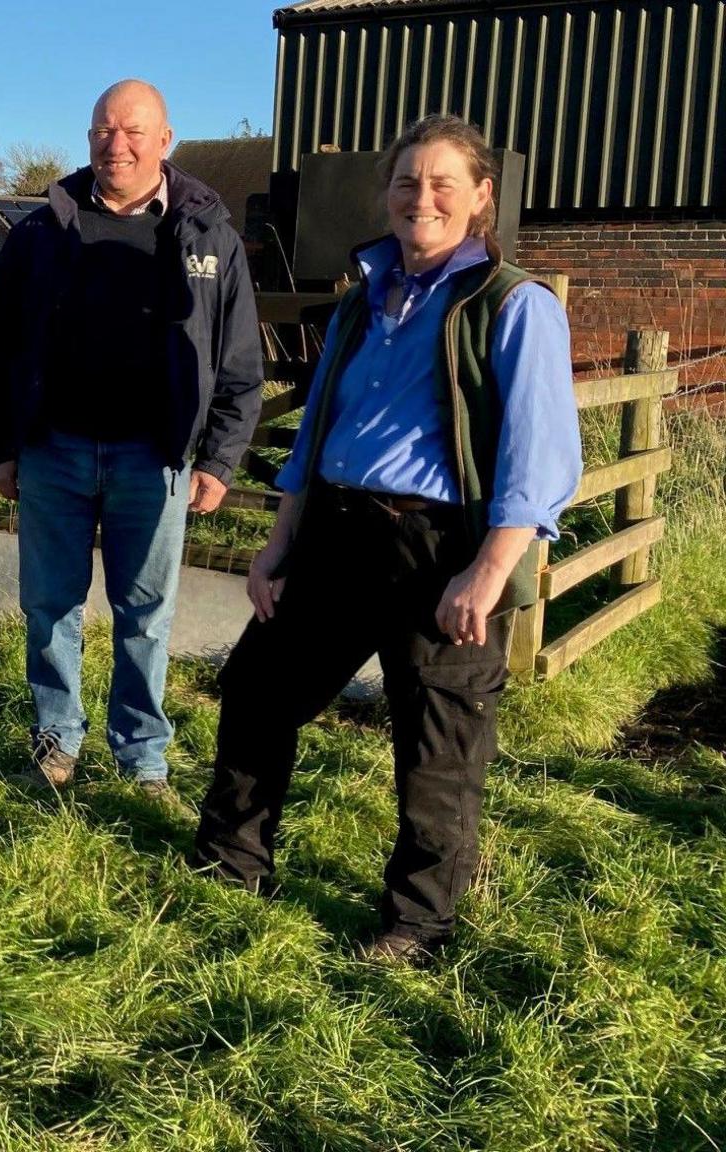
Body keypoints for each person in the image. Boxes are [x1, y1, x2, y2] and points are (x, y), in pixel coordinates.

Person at [193, 114, 582, 965]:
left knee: (437, 742)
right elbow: (318, 432)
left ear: (481, 197)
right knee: (259, 689)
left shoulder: (513, 305)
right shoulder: (362, 301)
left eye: (445, 183)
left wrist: (487, 571)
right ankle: (231, 863)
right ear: (388, 194)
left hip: (440, 550)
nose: (422, 198)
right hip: (335, 530)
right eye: (408, 182)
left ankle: (416, 923)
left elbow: (539, 456)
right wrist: (278, 542)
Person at [0, 80, 262, 811]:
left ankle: (142, 754)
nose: (116, 144)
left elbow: (238, 361)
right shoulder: (42, 234)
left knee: (145, 615)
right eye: (103, 129)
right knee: (50, 605)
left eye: (133, 131)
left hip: (153, 458)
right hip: (53, 452)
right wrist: (4, 448)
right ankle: (56, 736)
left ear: (166, 141)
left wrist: (220, 458)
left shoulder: (206, 236)